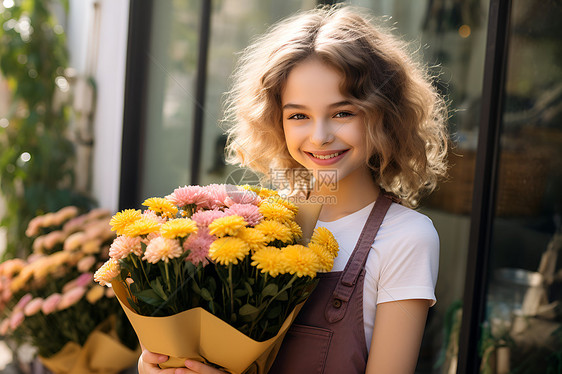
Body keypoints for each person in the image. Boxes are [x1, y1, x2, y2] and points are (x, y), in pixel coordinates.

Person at [139, 4, 448, 374]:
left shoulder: (406, 238)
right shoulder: (250, 224)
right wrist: (160, 364)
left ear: (382, 115)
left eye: (343, 112)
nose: (320, 136)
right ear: (276, 121)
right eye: (299, 115)